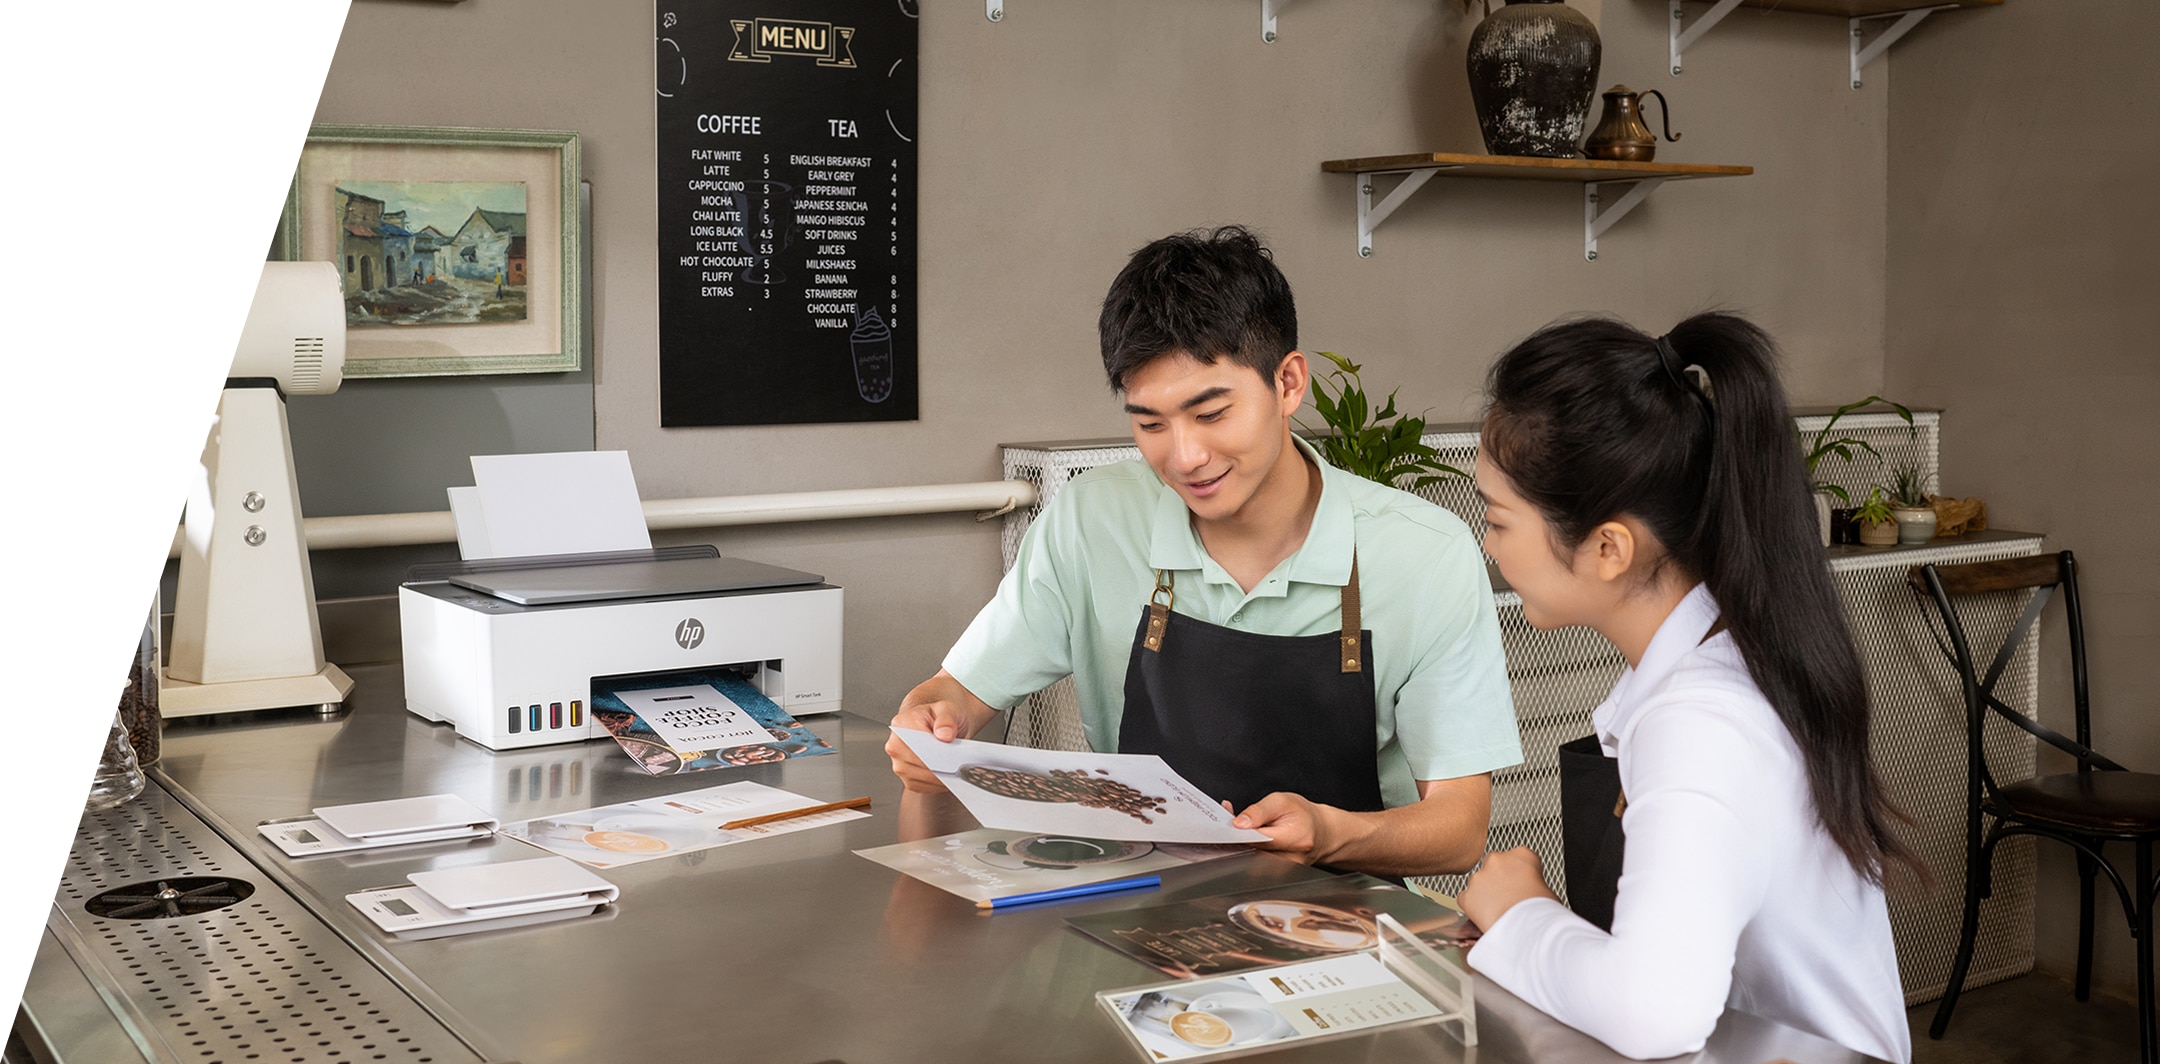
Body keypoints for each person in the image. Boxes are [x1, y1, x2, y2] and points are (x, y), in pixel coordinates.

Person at [884, 226, 1520, 876]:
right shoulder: (1091, 521)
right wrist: (935, 722)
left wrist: (1329, 833)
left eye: (1211, 414)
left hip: (1338, 937)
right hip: (1133, 918)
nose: (1184, 457)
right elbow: (956, 692)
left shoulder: (1424, 553)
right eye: (1150, 424)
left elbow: (1459, 826)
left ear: (1289, 383)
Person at [1455, 313, 1914, 1062]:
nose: (1487, 543)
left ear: (1608, 548)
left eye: (1499, 520)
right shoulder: (1722, 652)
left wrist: (1520, 915)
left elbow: (1655, 1011)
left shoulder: (1702, 721)